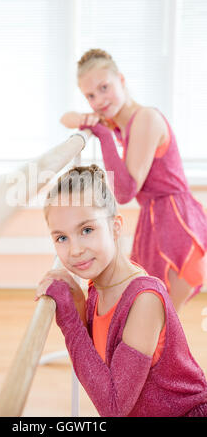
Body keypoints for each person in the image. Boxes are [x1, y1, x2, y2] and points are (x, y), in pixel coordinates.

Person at [35, 164, 207, 417]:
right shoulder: (98, 286)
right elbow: (99, 368)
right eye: (62, 238)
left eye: (87, 230)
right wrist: (80, 305)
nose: (74, 250)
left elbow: (113, 407)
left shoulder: (144, 300)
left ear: (115, 226)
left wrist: (71, 319)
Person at [60, 49, 207, 312]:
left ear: (122, 80)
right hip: (155, 220)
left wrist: (103, 134)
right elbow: (65, 118)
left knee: (159, 318)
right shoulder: (122, 122)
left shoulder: (145, 119)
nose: (99, 100)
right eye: (90, 96)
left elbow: (125, 191)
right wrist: (85, 120)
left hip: (174, 221)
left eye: (105, 87)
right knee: (151, 316)